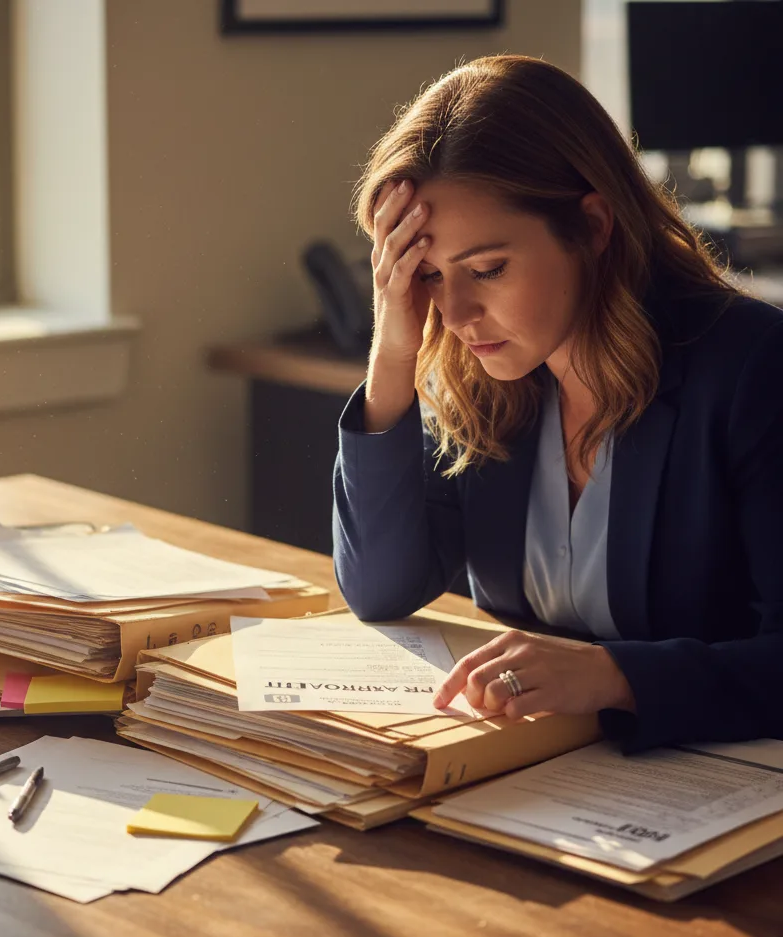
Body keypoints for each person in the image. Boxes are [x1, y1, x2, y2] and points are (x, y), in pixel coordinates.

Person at [332, 55, 783, 751]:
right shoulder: (482, 379)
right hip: (544, 781)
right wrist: (393, 352)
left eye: (487, 270)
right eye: (427, 275)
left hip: (722, 785)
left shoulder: (753, 367)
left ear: (594, 226)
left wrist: (614, 676)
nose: (454, 311)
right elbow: (380, 590)